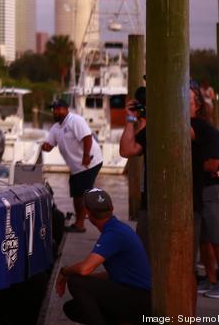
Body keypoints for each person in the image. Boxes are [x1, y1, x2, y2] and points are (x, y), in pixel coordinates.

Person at [56, 188, 152, 325]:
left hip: (140, 301)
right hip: (141, 299)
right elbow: (114, 274)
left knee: (76, 282)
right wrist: (87, 277)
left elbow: (84, 269)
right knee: (73, 308)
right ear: (112, 208)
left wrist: (64, 271)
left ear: (87, 213)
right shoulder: (118, 228)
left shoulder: (113, 233)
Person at [190, 87, 219, 299]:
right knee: (204, 239)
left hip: (213, 189)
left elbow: (213, 164)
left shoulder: (209, 132)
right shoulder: (195, 130)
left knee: (216, 239)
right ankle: (211, 279)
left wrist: (190, 165)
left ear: (198, 107)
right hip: (200, 189)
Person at [41, 96, 103, 232]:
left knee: (84, 193)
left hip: (90, 162)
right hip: (76, 167)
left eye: (58, 109)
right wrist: (45, 146)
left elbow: (87, 138)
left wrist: (86, 156)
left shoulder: (75, 120)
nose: (55, 112)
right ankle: (78, 223)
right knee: (76, 194)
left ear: (66, 109)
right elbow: (50, 145)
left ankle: (80, 224)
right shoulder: (56, 128)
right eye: (53, 109)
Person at [119, 86, 149, 249]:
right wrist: (131, 119)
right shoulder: (148, 131)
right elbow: (126, 150)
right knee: (143, 244)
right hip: (148, 197)